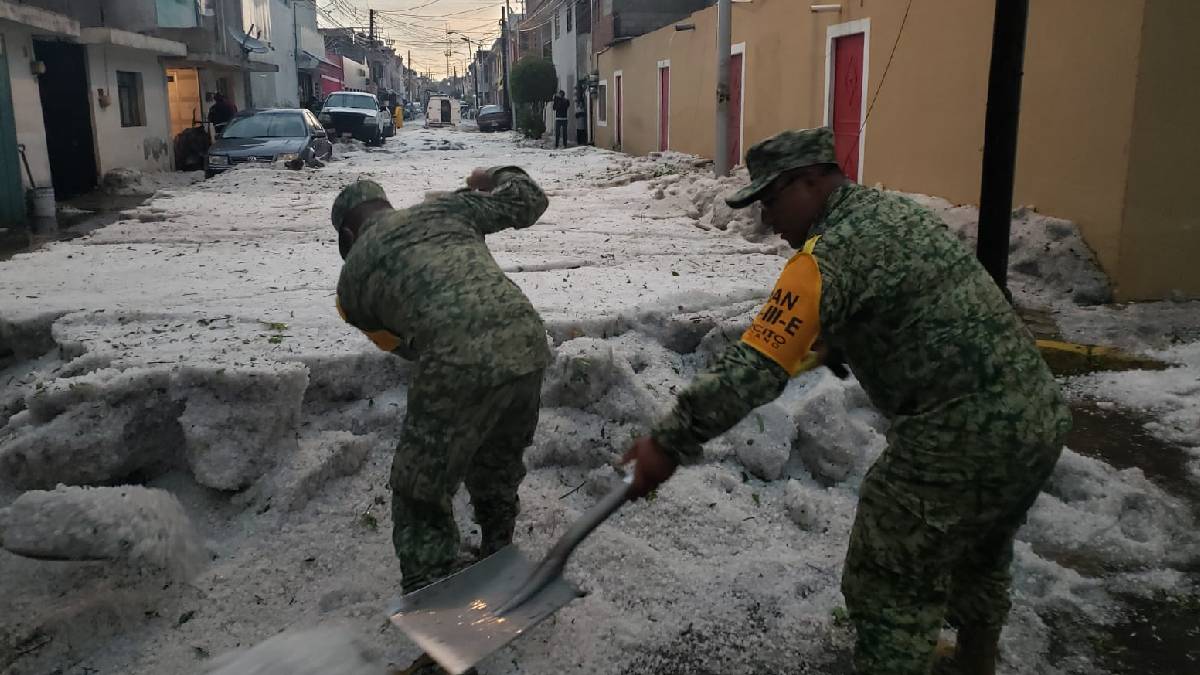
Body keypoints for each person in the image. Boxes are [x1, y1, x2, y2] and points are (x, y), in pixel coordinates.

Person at [621, 127, 1071, 675]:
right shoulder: (889, 215)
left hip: (958, 438)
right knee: (980, 549)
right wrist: (827, 345)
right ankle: (976, 661)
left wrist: (669, 442)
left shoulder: (828, 255)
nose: (767, 218)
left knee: (888, 582)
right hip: (1035, 418)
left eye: (771, 199)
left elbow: (753, 367)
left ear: (811, 180)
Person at [331, 168, 551, 598]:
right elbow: (531, 198)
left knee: (420, 489)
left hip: (456, 356)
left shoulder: (351, 282)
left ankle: (435, 607)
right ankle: (497, 555)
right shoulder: (446, 207)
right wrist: (492, 175)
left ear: (347, 233)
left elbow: (400, 345)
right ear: (386, 205)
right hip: (525, 339)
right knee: (497, 463)